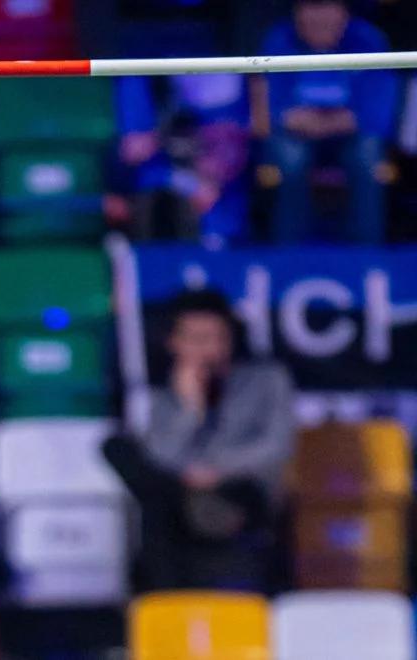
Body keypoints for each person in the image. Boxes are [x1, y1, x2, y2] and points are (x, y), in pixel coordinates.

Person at [103, 290, 295, 591]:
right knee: (119, 450)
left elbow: (276, 445)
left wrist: (215, 470)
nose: (209, 349)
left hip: (240, 488)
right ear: (174, 343)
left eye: (217, 337)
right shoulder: (167, 395)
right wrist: (190, 408)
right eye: (197, 339)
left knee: (158, 499)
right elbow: (161, 456)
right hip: (179, 492)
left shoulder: (268, 379)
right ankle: (164, 608)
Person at [260, 0, 399, 244]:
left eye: (327, 13)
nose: (319, 20)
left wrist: (322, 122)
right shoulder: (279, 40)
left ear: (343, 14)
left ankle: (367, 252)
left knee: (367, 157)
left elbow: (374, 112)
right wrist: (328, 121)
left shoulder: (368, 41)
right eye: (311, 12)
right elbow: (273, 111)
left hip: (353, 136)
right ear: (297, 14)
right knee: (291, 161)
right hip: (296, 136)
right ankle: (287, 251)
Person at [109, 74, 251, 245]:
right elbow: (134, 151)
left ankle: (219, 243)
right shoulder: (143, 88)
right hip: (165, 171)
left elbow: (226, 151)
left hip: (206, 169)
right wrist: (192, 184)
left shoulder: (220, 117)